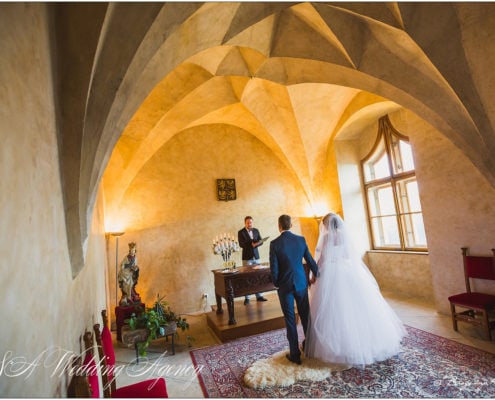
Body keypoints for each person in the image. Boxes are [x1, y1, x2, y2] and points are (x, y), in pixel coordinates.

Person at [305, 213, 406, 367]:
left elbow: (323, 258)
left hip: (331, 271)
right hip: (347, 270)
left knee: (334, 309)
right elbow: (348, 255)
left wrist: (315, 274)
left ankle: (339, 348)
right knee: (356, 307)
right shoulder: (344, 236)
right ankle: (366, 342)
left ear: (326, 225)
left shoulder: (326, 238)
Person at [269, 214, 319, 365]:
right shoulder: (300, 240)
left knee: (290, 319)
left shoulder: (274, 244)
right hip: (301, 283)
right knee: (305, 316)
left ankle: (295, 354)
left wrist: (276, 283)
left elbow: (274, 268)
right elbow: (310, 260)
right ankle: (310, 348)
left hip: (285, 287)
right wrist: (318, 274)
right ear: (291, 225)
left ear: (279, 226)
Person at [238, 216, 268, 305]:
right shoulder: (241, 232)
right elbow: (241, 244)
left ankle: (259, 296)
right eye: (248, 222)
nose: (249, 224)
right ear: (245, 223)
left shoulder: (256, 230)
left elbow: (261, 241)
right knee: (247, 277)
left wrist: (257, 244)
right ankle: (247, 298)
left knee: (258, 276)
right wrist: (251, 244)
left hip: (256, 256)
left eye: (251, 222)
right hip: (247, 257)